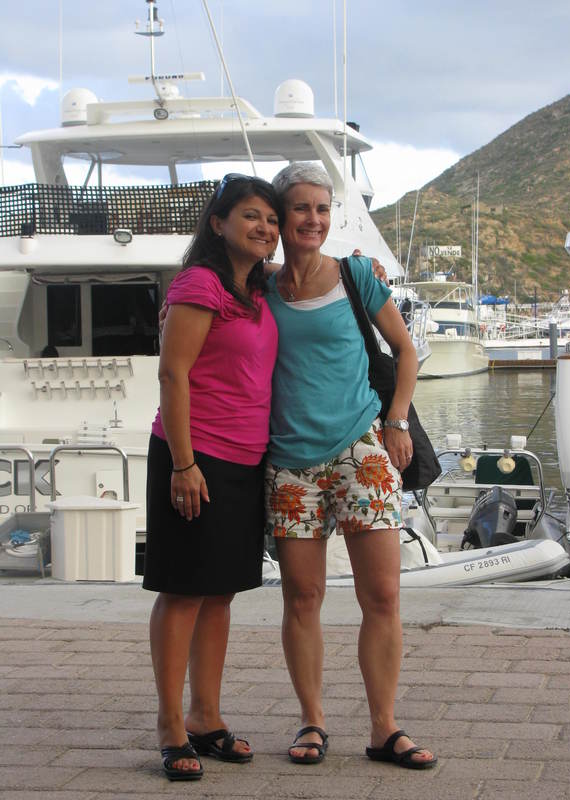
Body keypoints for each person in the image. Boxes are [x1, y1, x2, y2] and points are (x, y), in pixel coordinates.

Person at [264, 162, 437, 769]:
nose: (314, 219)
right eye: (301, 208)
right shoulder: (260, 288)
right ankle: (312, 721)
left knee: (383, 595)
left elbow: (406, 349)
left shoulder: (356, 275)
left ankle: (384, 728)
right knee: (301, 597)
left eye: (323, 208)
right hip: (289, 461)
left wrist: (396, 421)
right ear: (281, 216)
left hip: (360, 450)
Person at [142, 174, 282, 780]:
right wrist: (183, 463)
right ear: (218, 223)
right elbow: (173, 375)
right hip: (194, 457)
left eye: (271, 220)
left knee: (220, 591)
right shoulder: (201, 283)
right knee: (183, 591)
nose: (265, 228)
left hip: (245, 461)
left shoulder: (256, 287)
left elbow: (309, 274)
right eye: (251, 216)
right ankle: (171, 725)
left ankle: (206, 716)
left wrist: (359, 268)